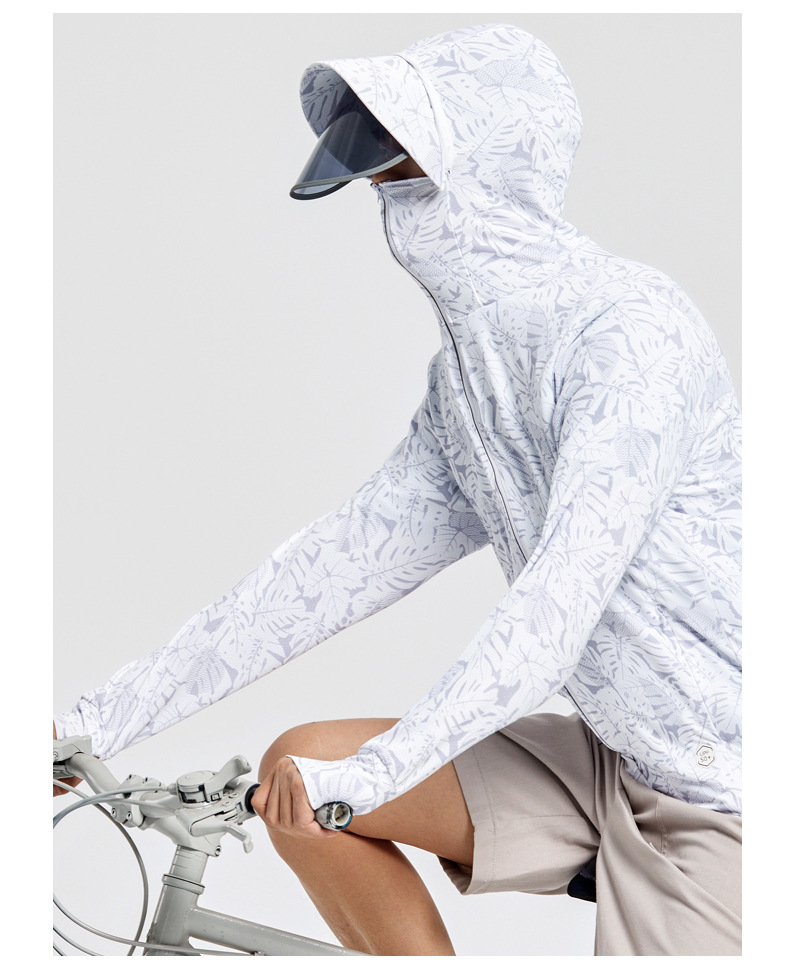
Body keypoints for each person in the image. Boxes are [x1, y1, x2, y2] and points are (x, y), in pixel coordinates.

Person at [53, 23, 741, 956]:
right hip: (612, 754)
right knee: (300, 764)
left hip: (726, 785)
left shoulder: (631, 337)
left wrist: (378, 774)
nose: (382, 189)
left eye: (405, 164)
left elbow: (553, 613)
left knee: (338, 783)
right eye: (379, 169)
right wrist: (90, 724)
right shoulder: (471, 380)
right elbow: (329, 570)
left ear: (490, 170)